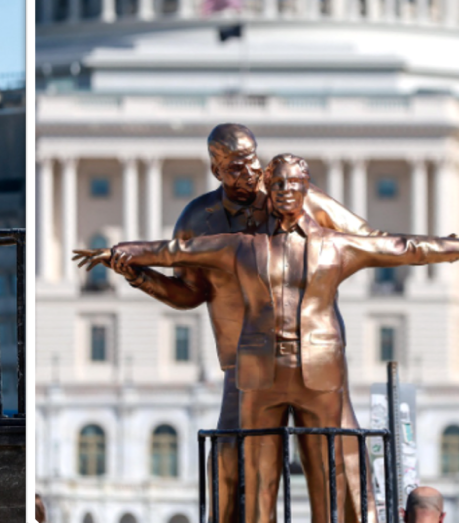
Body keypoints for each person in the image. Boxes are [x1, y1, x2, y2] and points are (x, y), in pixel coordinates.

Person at [77, 153, 459, 523]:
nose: (285, 191)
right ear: (268, 190)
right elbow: (178, 251)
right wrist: (121, 254)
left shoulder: (338, 245)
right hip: (258, 372)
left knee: (331, 472)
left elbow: (402, 247)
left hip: (319, 369)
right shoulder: (242, 245)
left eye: (293, 183)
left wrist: (451, 248)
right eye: (277, 184)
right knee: (257, 480)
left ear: (307, 188)